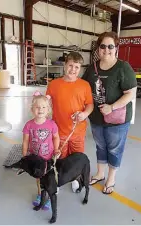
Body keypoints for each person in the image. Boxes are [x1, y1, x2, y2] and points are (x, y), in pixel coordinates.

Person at [82, 31, 137, 194]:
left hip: (117, 119)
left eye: (110, 46)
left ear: (116, 48)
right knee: (100, 146)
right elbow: (83, 88)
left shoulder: (123, 67)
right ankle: (100, 173)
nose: (107, 49)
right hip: (97, 117)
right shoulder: (91, 68)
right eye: (103, 46)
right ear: (98, 49)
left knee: (114, 148)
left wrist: (111, 107)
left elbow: (131, 93)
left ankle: (111, 178)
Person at [46, 51, 94, 192]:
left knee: (76, 158)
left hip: (78, 131)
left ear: (81, 69)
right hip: (59, 131)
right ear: (64, 65)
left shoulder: (84, 85)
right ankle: (58, 179)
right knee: (60, 158)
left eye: (77, 67)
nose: (73, 70)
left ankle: (74, 179)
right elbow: (46, 103)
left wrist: (84, 114)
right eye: (71, 65)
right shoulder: (54, 84)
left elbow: (90, 104)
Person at [22, 91, 60, 210]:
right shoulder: (29, 125)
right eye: (37, 107)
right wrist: (24, 155)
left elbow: (56, 137)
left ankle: (48, 196)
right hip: (36, 159)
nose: (41, 109)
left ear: (48, 109)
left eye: (44, 107)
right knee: (39, 179)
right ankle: (40, 195)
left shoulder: (52, 124)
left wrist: (56, 149)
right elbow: (25, 141)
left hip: (48, 158)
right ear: (32, 109)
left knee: (48, 179)